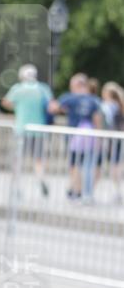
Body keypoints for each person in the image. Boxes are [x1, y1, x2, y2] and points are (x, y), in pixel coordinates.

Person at [48, 73, 102, 202]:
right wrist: (99, 138)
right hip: (90, 138)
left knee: (75, 164)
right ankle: (84, 192)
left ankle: (76, 190)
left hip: (75, 138)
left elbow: (53, 109)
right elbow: (97, 119)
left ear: (76, 85)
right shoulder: (93, 99)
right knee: (88, 166)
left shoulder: (70, 98)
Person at [1, 64, 53, 197]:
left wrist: (18, 108)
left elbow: (5, 102)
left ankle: (16, 187)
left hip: (21, 128)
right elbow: (51, 106)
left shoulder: (18, 89)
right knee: (38, 159)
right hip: (38, 129)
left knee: (18, 160)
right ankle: (40, 178)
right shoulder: (42, 88)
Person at [100, 81, 124, 202]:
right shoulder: (120, 105)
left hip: (114, 139)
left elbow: (106, 123)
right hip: (119, 138)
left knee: (115, 167)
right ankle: (117, 191)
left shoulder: (108, 106)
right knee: (118, 166)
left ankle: (117, 191)